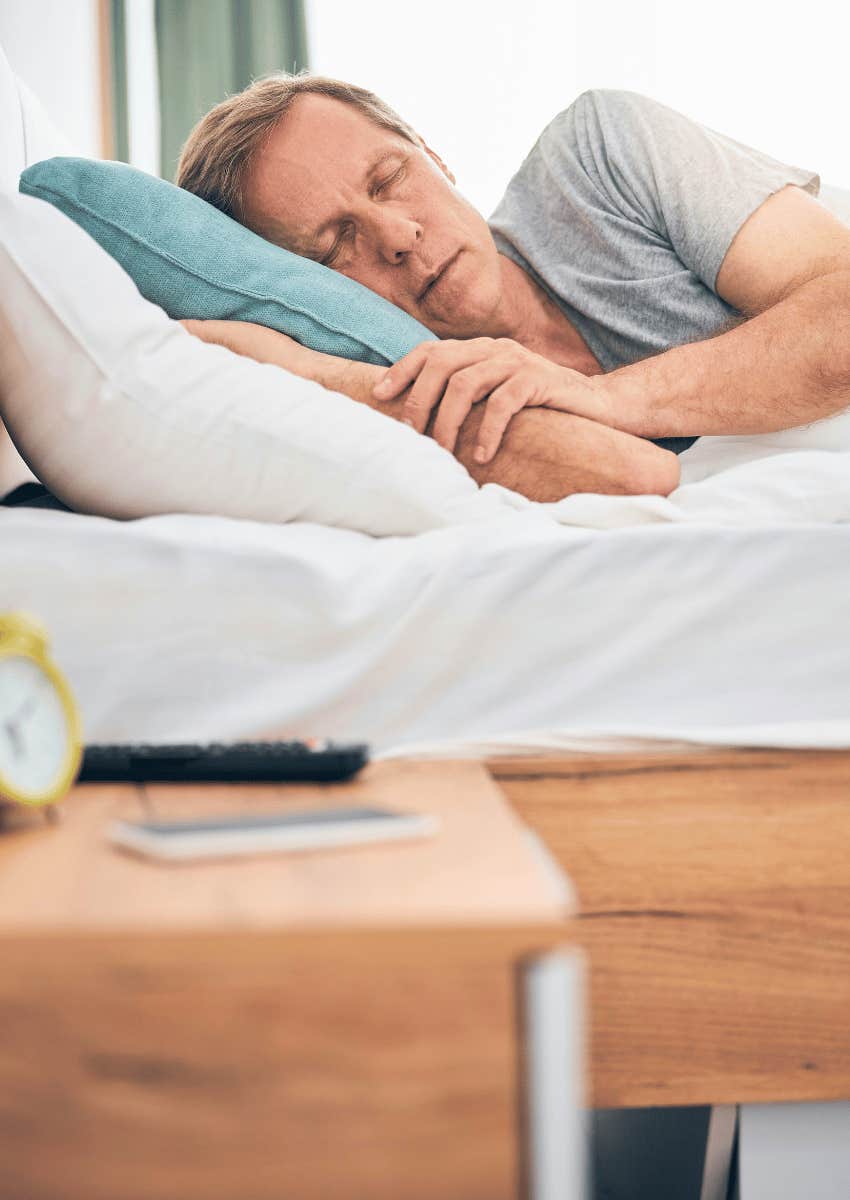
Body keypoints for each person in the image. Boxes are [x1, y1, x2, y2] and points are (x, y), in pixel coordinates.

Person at [176, 75, 850, 502]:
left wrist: (602, 397)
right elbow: (628, 479)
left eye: (390, 179)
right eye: (334, 244)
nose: (398, 235)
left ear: (433, 155)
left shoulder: (600, 153)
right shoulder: (404, 388)